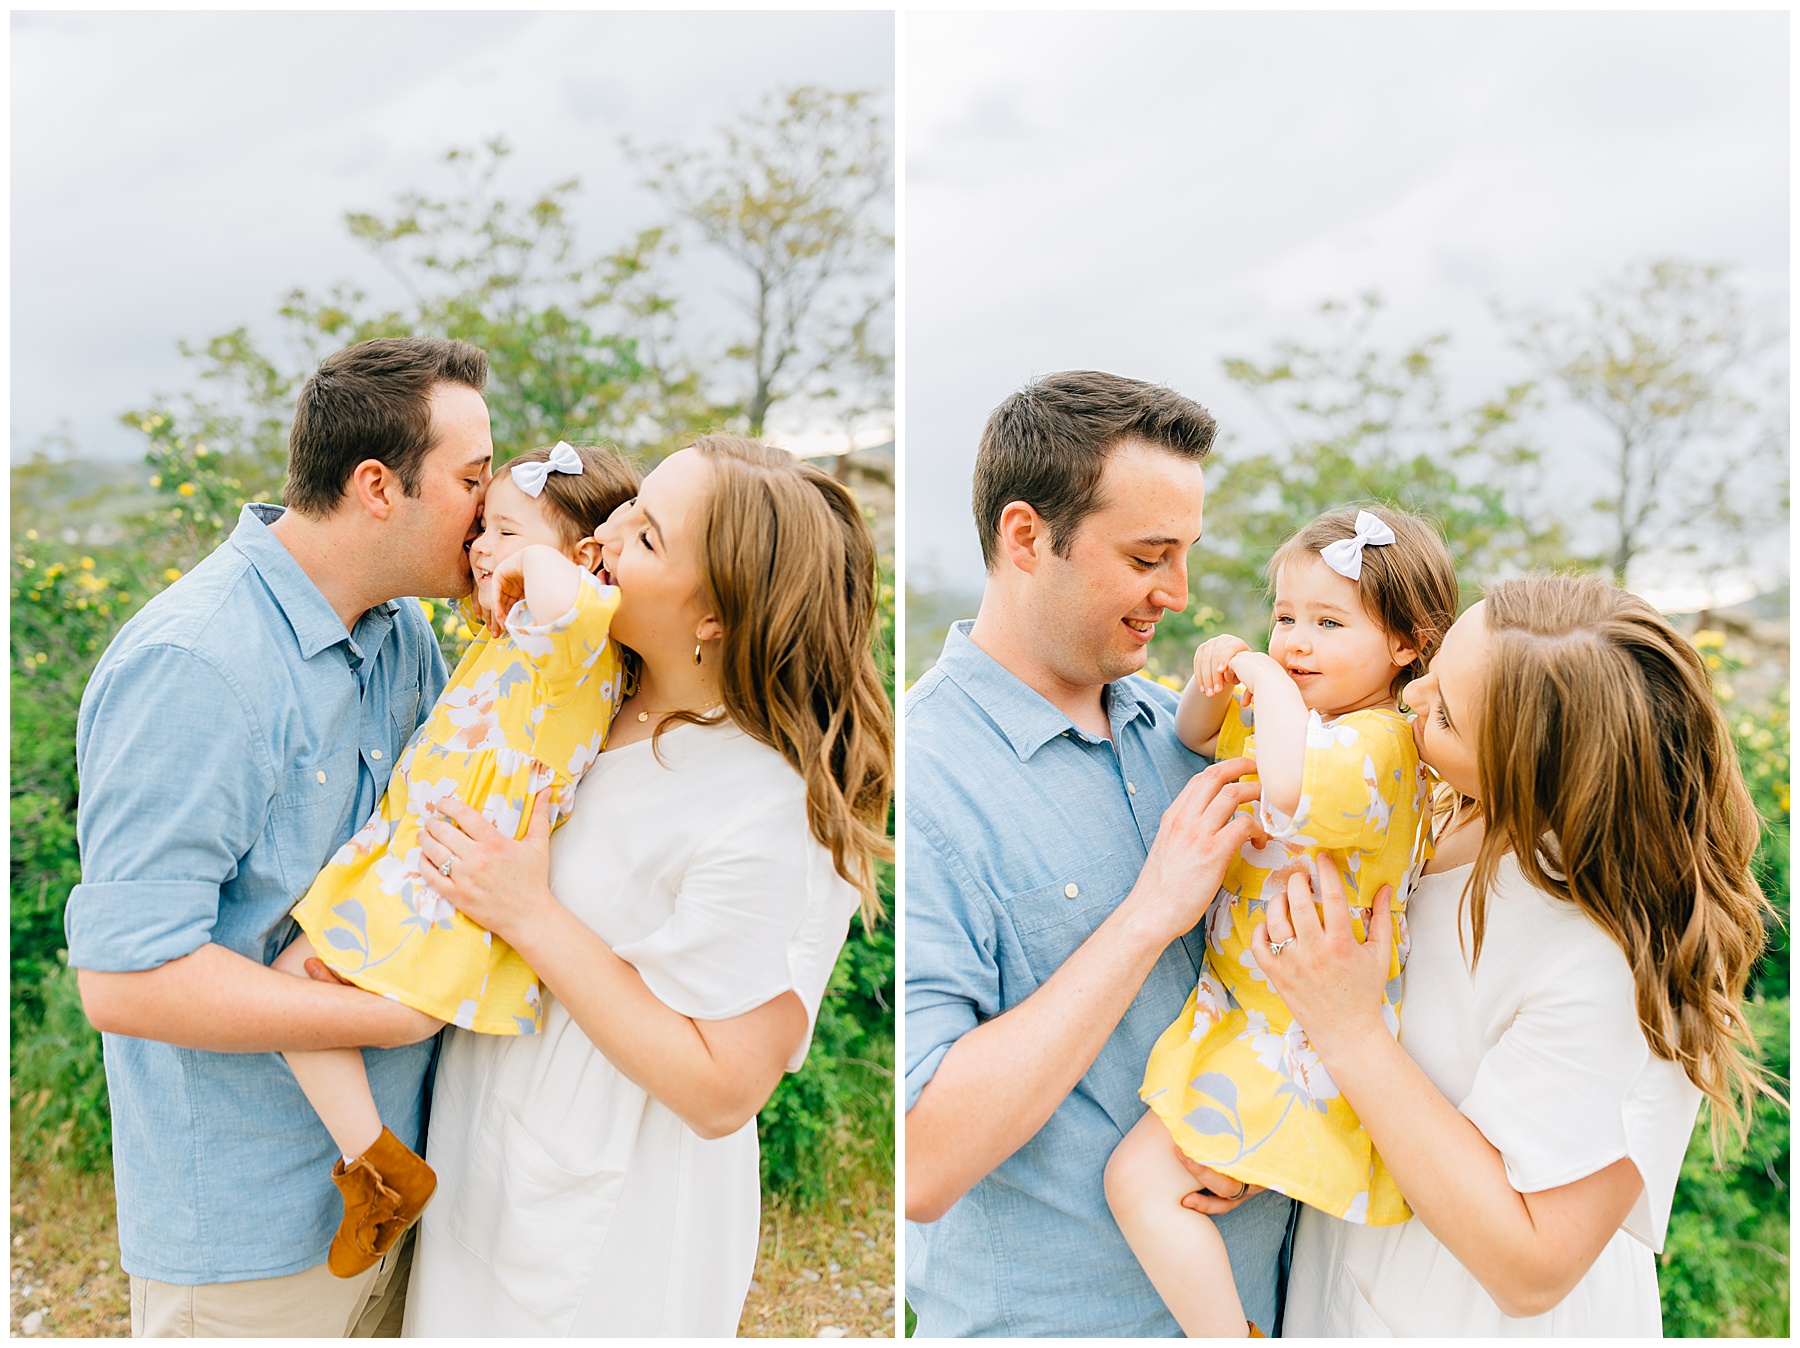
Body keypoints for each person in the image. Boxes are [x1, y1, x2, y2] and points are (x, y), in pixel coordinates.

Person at [377, 434, 893, 1336]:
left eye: (648, 537)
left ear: (717, 618)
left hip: (609, 1229)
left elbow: (723, 1087)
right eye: (630, 505)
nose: (606, 535)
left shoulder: (767, 803)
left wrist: (529, 913)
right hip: (488, 1156)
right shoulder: (602, 691)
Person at [67, 337, 495, 1336]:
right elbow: (126, 978)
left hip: (415, 1198)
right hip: (250, 1237)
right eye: (473, 479)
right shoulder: (196, 665)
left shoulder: (406, 637)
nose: (489, 505)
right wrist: (388, 1022)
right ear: (379, 486)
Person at [1262, 573, 1774, 1334]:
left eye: (1447, 716)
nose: (1411, 698)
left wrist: (1348, 1029)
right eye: (1434, 670)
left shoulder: (1610, 955)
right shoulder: (1452, 810)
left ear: (1535, 774)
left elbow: (1534, 1267)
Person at [904, 371, 1294, 1337]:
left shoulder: (1190, 736)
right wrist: (1149, 914)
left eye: (1186, 555)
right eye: (1148, 556)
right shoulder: (924, 776)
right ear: (1027, 537)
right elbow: (920, 1161)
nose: (1179, 592)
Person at [275, 443, 639, 1278]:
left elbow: (562, 593)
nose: (481, 545)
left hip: (449, 873)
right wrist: (513, 554)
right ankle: (379, 1166)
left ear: (580, 558)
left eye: (502, 529)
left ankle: (377, 1169)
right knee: (298, 976)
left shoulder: (577, 635)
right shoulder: (525, 635)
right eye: (481, 527)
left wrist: (539, 561)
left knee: (297, 980)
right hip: (424, 856)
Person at [1106, 505, 1458, 1336]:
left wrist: (1263, 679)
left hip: (1293, 1035)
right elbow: (1198, 736)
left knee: (1137, 1182)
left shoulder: (1380, 743)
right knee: (1151, 1182)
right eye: (1286, 616)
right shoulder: (1300, 716)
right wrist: (1212, 678)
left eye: (1329, 623)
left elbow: (1291, 790)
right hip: (1253, 1015)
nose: (1296, 641)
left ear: (1406, 644)